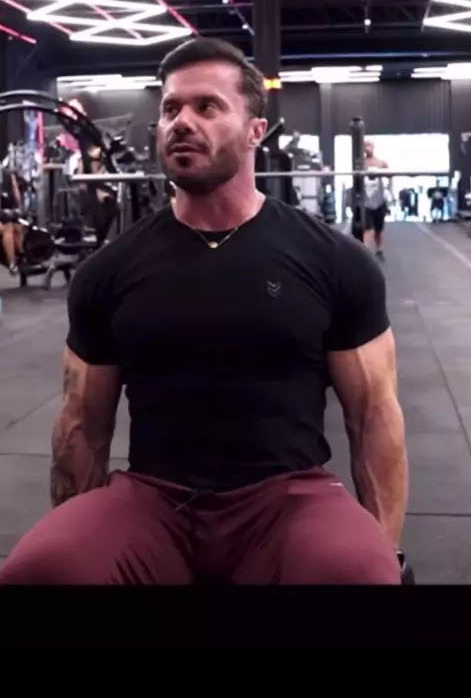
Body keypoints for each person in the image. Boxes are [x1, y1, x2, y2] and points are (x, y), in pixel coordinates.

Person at [0, 37, 408, 586]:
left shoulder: (334, 262)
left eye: (207, 106)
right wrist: (80, 536)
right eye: (171, 109)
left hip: (287, 502)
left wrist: (387, 550)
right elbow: (82, 424)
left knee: (358, 574)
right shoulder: (109, 271)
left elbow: (374, 415)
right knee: (41, 570)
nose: (181, 122)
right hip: (153, 501)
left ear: (255, 131)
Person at [363, 139, 392, 260]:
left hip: (379, 200)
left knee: (378, 229)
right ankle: (365, 252)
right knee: (368, 228)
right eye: (365, 146)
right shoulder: (361, 164)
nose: (367, 148)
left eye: (369, 146)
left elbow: (390, 177)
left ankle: (379, 249)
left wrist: (389, 192)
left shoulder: (381, 163)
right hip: (366, 201)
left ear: (373, 147)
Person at [0, 168, 24, 275]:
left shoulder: (7, 175)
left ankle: (21, 256)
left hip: (3, 215)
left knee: (17, 226)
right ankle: (12, 263)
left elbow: (16, 197)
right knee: (8, 227)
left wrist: (18, 209)